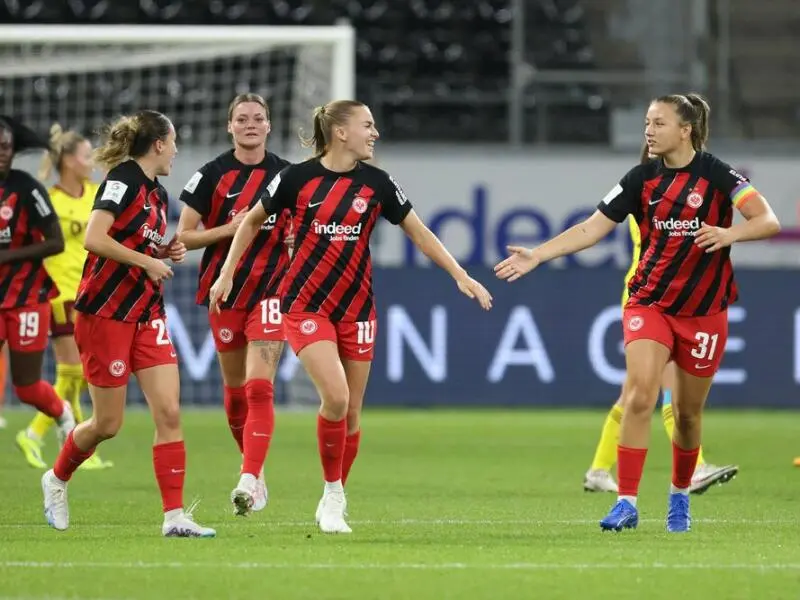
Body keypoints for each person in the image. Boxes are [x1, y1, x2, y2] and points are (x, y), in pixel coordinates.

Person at [495, 93, 780, 533]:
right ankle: (626, 502)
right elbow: (591, 228)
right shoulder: (639, 179)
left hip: (705, 311)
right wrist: (539, 254)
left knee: (687, 415)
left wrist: (728, 233)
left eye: (659, 122)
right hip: (650, 303)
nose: (649, 130)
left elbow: (768, 221)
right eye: (647, 121)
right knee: (641, 394)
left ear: (685, 130)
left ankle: (679, 496)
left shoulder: (719, 175)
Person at [210, 100, 493, 533]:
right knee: (337, 398)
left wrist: (460, 275)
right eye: (368, 125)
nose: (374, 133)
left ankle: (333, 497)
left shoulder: (378, 183)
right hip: (305, 305)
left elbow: (419, 231)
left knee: (353, 412)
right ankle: (331, 491)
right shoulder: (297, 178)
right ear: (340, 133)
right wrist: (227, 273)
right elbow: (250, 223)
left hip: (357, 308)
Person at [40, 110, 215, 538]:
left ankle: (174, 517)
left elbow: (142, 241)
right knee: (108, 425)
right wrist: (147, 260)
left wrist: (168, 250)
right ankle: (56, 478)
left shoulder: (157, 193)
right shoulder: (122, 180)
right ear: (158, 144)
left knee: (170, 411)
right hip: (105, 314)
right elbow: (95, 239)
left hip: (147, 313)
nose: (176, 150)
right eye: (172, 142)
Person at [584, 145, 738, 496]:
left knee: (633, 394)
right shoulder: (650, 198)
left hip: (646, 294)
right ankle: (695, 470)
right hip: (656, 300)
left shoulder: (647, 195)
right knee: (670, 390)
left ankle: (597, 469)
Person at [177, 93, 291, 515]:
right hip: (224, 292)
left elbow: (301, 228)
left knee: (259, 387)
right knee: (235, 392)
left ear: (268, 125)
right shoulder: (210, 176)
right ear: (229, 126)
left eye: (258, 118)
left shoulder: (286, 175)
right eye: (241, 119)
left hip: (271, 292)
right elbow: (183, 237)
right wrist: (231, 228)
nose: (250, 125)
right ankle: (255, 471)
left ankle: (248, 477)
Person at [16, 124, 112, 470]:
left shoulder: (97, 194)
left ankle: (64, 438)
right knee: (73, 372)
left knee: (80, 373)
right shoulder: (49, 202)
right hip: (60, 295)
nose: (92, 162)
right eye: (87, 156)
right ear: (69, 161)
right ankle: (47, 435)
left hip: (93, 293)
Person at [0, 116, 76, 441]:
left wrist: (7, 256)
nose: (1, 151)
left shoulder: (27, 188)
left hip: (27, 298)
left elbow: (56, 242)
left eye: (5, 145)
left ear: (13, 149)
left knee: (27, 387)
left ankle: (62, 413)